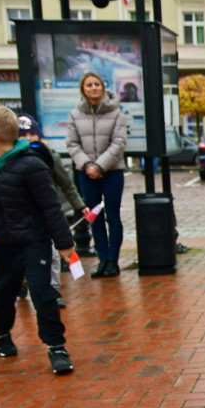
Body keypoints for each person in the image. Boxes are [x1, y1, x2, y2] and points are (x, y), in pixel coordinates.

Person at [0, 106, 76, 375]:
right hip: (4, 245)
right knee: (2, 294)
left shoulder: (32, 165)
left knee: (43, 293)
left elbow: (50, 207)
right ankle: (0, 332)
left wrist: (65, 244)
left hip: (34, 243)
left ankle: (56, 346)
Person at [18, 114, 89, 308]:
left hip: (47, 214)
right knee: (23, 253)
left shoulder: (50, 156)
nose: (29, 138)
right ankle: (23, 278)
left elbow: (66, 184)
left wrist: (80, 205)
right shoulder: (11, 160)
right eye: (23, 135)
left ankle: (53, 288)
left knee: (53, 254)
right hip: (22, 217)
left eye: (33, 134)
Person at [66, 72, 127, 278]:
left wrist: (100, 166)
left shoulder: (116, 113)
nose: (93, 88)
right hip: (86, 173)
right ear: (83, 89)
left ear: (103, 87)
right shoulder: (75, 114)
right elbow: (72, 144)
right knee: (95, 217)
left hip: (112, 171)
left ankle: (113, 260)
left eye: (97, 84)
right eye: (89, 85)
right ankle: (102, 258)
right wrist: (88, 165)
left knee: (113, 215)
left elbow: (118, 142)